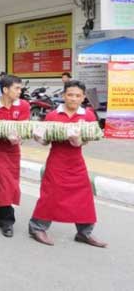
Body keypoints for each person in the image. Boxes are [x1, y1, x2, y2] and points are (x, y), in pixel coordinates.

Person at [29, 80, 107, 248]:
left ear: (83, 97)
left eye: (78, 96)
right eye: (70, 95)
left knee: (83, 195)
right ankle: (37, 227)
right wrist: (39, 137)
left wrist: (78, 141)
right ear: (64, 95)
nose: (73, 99)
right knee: (51, 194)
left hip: (76, 161)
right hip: (56, 160)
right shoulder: (52, 115)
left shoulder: (87, 116)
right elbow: (45, 141)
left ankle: (84, 233)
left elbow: (87, 140)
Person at [0, 74, 30, 237]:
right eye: (16, 88)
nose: (20, 91)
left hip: (14, 151)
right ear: (5, 89)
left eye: (20, 88)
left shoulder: (23, 106)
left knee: (11, 184)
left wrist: (20, 137)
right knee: (3, 183)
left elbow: (24, 129)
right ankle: (8, 221)